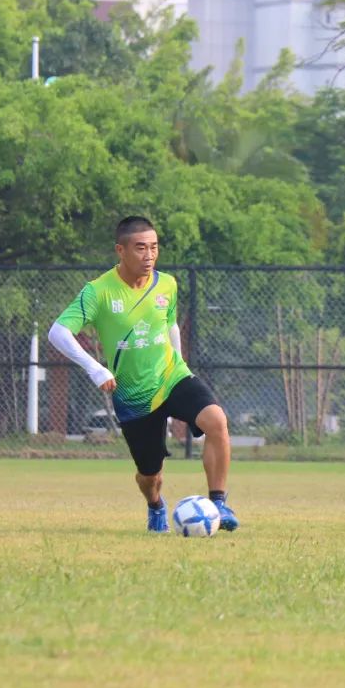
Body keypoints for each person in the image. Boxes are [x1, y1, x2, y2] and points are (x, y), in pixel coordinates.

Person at [48, 216, 239, 533]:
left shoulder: (167, 284)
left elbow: (170, 324)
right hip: (134, 396)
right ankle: (155, 505)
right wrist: (95, 368)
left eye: (154, 247)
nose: (149, 255)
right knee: (151, 476)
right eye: (140, 248)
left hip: (172, 376)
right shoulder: (98, 292)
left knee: (216, 420)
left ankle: (218, 502)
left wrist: (181, 363)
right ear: (120, 250)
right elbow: (58, 332)